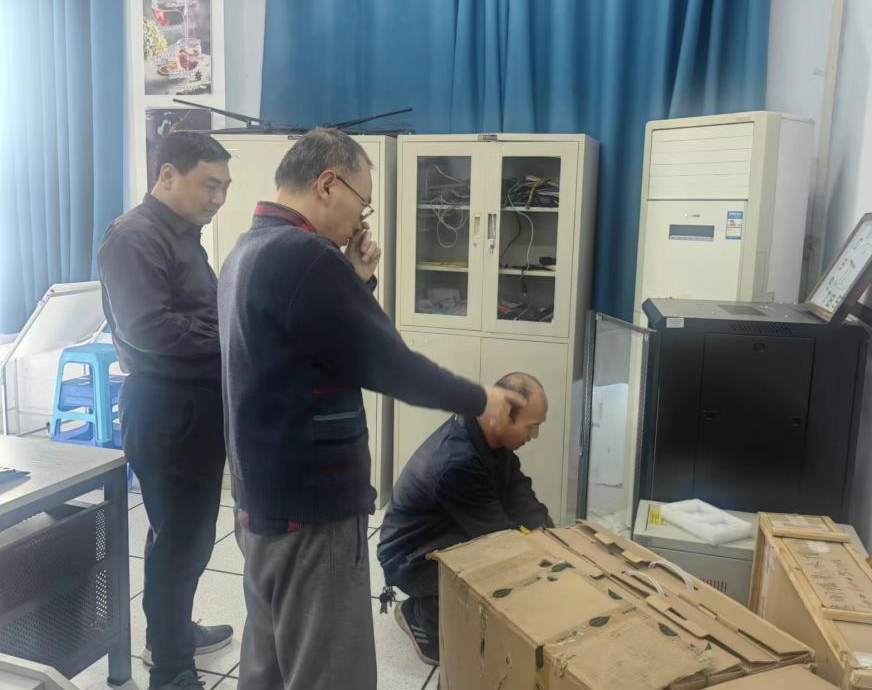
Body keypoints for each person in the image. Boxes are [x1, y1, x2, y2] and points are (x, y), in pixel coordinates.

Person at [216, 127, 524, 690]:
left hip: (262, 501)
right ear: (327, 184)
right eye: (363, 202)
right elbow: (387, 363)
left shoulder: (248, 248)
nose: (362, 219)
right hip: (312, 511)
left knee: (269, 665)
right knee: (332, 672)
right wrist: (482, 399)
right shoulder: (306, 256)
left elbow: (317, 348)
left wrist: (356, 279)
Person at [98, 132, 235, 690]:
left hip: (191, 404)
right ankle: (172, 669)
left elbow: (197, 314)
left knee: (185, 535)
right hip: (166, 409)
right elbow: (150, 329)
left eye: (225, 187)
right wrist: (233, 339)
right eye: (210, 185)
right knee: (182, 540)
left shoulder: (181, 236)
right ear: (168, 175)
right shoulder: (134, 237)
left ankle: (170, 633)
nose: (218, 198)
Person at [377, 372, 553, 666]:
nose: (534, 436)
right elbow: (499, 538)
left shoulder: (489, 436)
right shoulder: (456, 462)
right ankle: (421, 616)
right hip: (409, 559)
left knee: (514, 555)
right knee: (496, 565)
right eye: (532, 426)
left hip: (443, 529)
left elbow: (518, 492)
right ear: (502, 416)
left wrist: (548, 533)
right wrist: (544, 563)